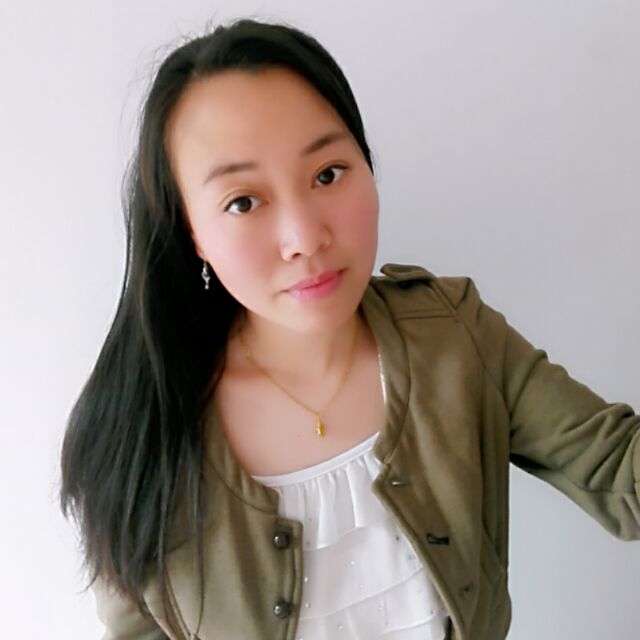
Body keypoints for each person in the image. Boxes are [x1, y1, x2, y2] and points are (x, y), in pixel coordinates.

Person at [58, 17, 639, 640]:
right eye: (243, 202)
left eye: (328, 173)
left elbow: (617, 469)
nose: (305, 238)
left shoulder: (453, 336)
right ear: (190, 232)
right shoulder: (136, 434)